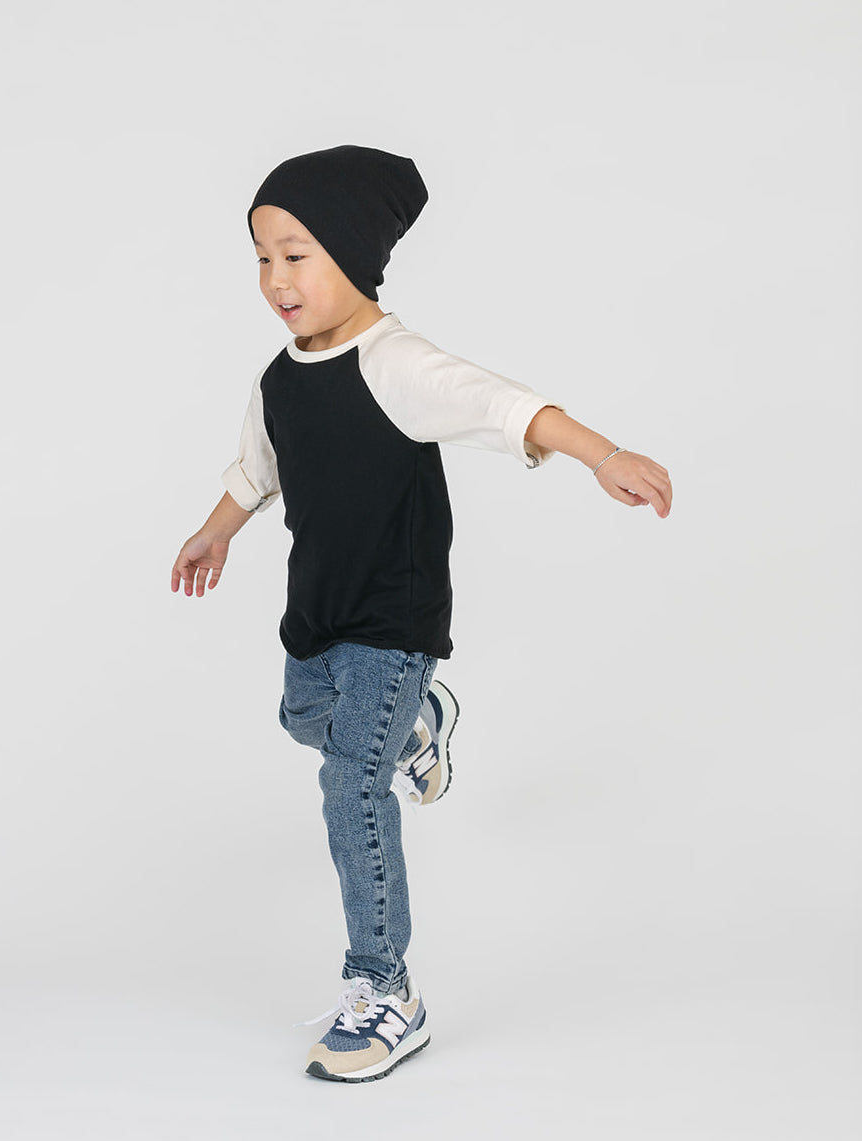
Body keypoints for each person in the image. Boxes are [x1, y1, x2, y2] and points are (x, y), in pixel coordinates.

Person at [171, 145, 672, 1083]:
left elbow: (506, 407)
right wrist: (214, 533)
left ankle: (386, 989)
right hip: (317, 610)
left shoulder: (397, 364)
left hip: (392, 621)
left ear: (354, 253)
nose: (276, 279)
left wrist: (603, 454)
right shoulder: (279, 379)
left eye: (296, 255)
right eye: (262, 258)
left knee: (348, 784)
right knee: (302, 718)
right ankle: (420, 724)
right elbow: (256, 470)